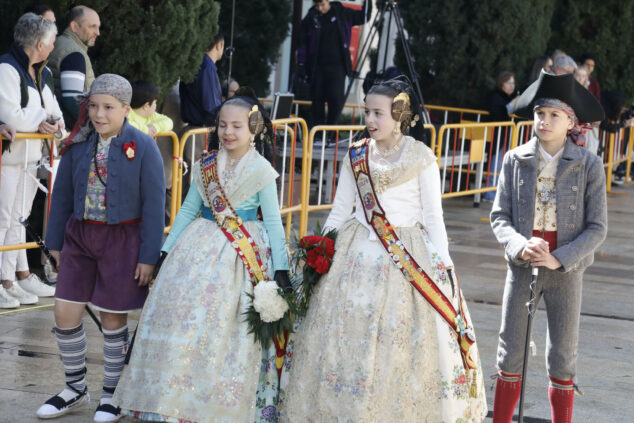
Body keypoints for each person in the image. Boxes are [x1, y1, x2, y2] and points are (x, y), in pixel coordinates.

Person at [280, 77, 487, 422]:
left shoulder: (421, 157)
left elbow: (434, 219)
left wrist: (445, 270)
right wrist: (319, 252)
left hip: (407, 258)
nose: (370, 121)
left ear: (400, 114)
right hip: (353, 252)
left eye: (378, 113)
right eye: (367, 112)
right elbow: (339, 208)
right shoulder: (356, 154)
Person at [113, 94, 291, 422]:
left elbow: (274, 222)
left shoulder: (262, 170)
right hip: (197, 251)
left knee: (227, 331)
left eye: (237, 126)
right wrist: (165, 250)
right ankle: (170, 400)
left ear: (254, 129)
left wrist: (280, 268)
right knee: (185, 324)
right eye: (223, 124)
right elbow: (188, 210)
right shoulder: (205, 164)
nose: (228, 131)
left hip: (240, 260)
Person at [37, 74, 165, 422]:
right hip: (79, 237)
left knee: (112, 317)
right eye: (93, 106)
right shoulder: (78, 144)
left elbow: (155, 205)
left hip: (123, 240)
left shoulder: (143, 145)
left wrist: (148, 257)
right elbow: (61, 195)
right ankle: (75, 387)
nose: (98, 114)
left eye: (108, 107)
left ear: (126, 109)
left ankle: (112, 393)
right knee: (64, 312)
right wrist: (55, 243)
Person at [490, 71, 606, 423]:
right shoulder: (514, 159)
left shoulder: (588, 164)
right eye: (540, 113)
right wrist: (519, 245)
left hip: (566, 273)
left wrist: (560, 258)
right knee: (509, 352)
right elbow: (500, 216)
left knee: (563, 356)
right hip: (522, 267)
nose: (544, 120)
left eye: (554, 114)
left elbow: (597, 228)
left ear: (571, 121)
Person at [0, 13, 64, 308]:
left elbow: (55, 113)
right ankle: (4, 281)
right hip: (7, 160)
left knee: (18, 221)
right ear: (39, 44)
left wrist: (52, 123)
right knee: (2, 220)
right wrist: (42, 120)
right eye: (51, 43)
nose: (53, 47)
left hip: (30, 160)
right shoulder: (7, 69)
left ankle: (11, 280)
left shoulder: (44, 73)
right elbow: (12, 116)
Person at [297, 0, 372, 126]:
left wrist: (368, 2)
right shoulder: (311, 18)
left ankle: (331, 135)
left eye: (322, 5)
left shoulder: (342, 13)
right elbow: (302, 43)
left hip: (338, 68)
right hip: (317, 67)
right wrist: (301, 63)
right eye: (317, 6)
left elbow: (364, 17)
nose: (320, 8)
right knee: (317, 101)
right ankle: (318, 135)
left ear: (328, 1)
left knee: (336, 102)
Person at [48, 5, 101, 128]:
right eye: (92, 26)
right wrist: (95, 127)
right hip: (68, 134)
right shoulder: (74, 53)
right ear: (74, 27)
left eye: (98, 27)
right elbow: (72, 101)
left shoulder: (57, 43)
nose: (97, 33)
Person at [179, 31, 224, 129]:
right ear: (218, 45)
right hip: (201, 130)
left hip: (193, 128)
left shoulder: (196, 63)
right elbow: (211, 107)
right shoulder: (207, 67)